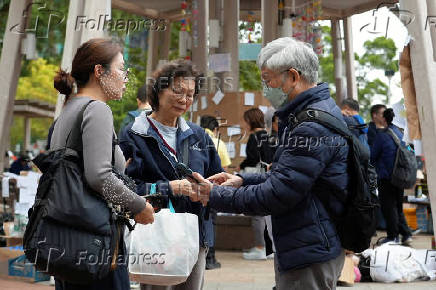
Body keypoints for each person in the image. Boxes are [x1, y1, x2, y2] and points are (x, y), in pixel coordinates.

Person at [190, 37, 347, 289]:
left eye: (268, 80)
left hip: (309, 247)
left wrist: (214, 195)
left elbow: (277, 193)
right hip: (307, 239)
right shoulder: (309, 115)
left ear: (293, 77)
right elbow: (288, 176)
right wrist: (241, 180)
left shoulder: (310, 126)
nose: (265, 88)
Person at [50, 38, 155, 290]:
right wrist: (139, 205)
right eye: (121, 69)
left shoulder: (70, 109)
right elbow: (98, 176)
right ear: (99, 71)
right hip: (95, 242)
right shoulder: (97, 109)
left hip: (67, 240)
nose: (125, 77)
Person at [119, 59, 223, 290]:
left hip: (195, 236)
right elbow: (122, 187)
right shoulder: (133, 134)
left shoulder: (199, 136)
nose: (184, 100)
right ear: (158, 90)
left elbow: (218, 178)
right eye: (178, 91)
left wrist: (208, 189)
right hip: (155, 235)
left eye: (190, 95)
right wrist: (169, 188)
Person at [370, 108, 412, 245]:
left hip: (387, 177)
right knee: (398, 207)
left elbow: (372, 155)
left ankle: (393, 236)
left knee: (389, 208)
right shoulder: (400, 133)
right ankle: (406, 235)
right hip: (401, 176)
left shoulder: (382, 136)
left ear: (384, 119)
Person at [238, 108, 274, 260]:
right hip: (269, 176)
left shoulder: (254, 137)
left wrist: (241, 165)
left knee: (257, 214)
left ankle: (260, 247)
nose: (244, 124)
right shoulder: (269, 136)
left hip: (256, 177)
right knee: (267, 213)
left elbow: (252, 158)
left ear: (250, 121)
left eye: (245, 121)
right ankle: (269, 247)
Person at [199, 115, 230, 270]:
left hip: (194, 187)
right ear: (216, 129)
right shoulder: (219, 143)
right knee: (211, 221)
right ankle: (210, 258)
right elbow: (224, 169)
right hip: (212, 189)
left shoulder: (194, 137)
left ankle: (199, 257)